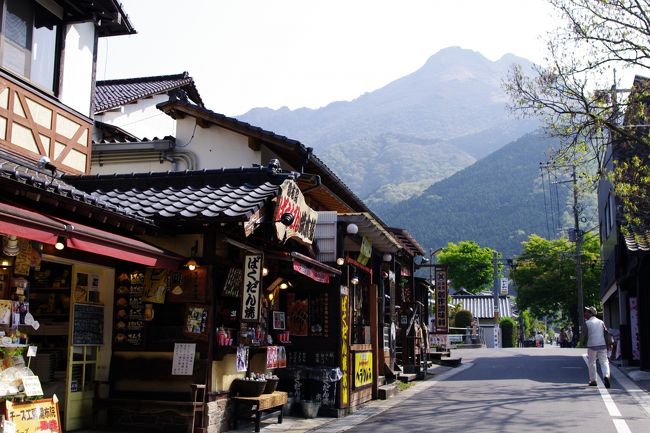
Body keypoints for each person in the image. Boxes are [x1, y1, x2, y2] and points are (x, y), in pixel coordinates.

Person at [583, 306, 612, 388]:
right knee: (604, 361)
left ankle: (593, 380)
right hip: (602, 344)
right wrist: (609, 343)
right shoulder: (601, 322)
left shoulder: (587, 323)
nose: (585, 313)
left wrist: (583, 342)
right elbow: (606, 333)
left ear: (590, 313)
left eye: (587, 311)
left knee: (592, 362)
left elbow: (584, 335)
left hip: (592, 345)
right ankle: (606, 376)